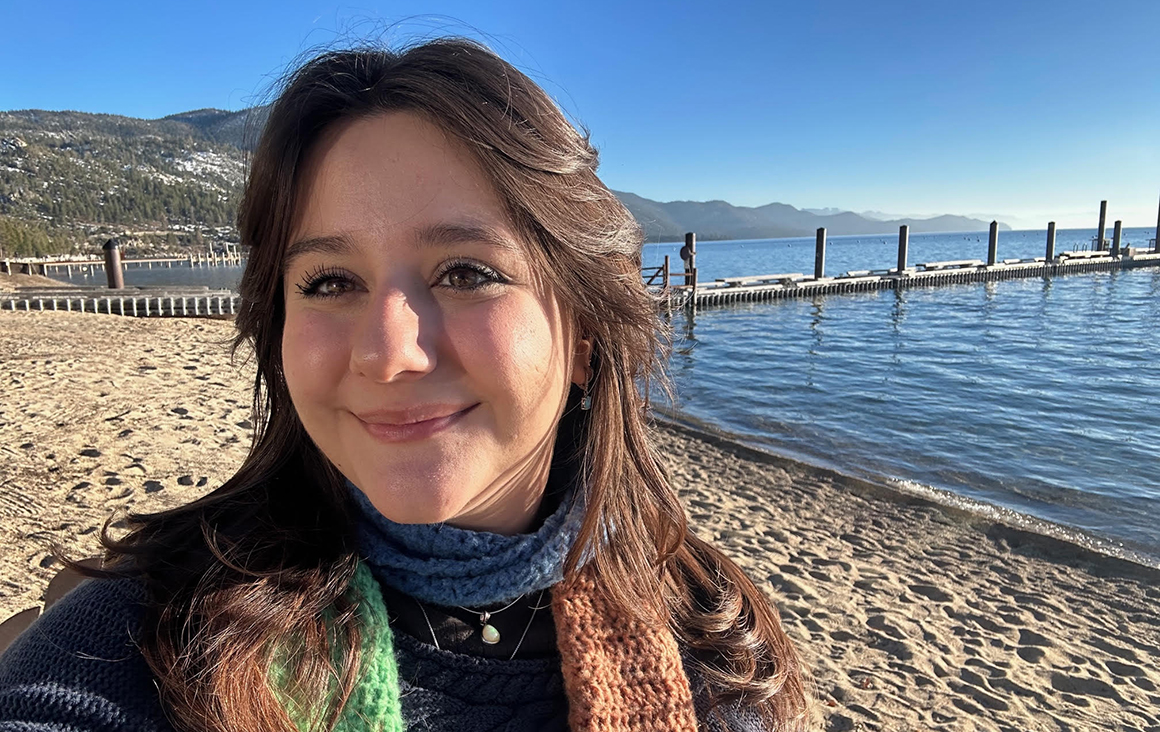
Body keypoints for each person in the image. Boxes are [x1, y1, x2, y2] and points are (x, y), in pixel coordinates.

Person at [0, 38, 810, 731]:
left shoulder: (720, 656)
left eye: (465, 271)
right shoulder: (147, 635)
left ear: (588, 335)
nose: (388, 353)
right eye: (327, 282)